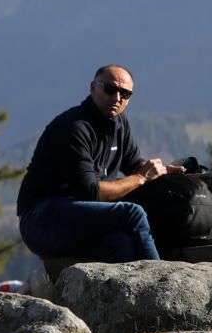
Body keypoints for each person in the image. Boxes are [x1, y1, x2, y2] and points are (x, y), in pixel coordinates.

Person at [16, 64, 182, 263]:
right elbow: (91, 191)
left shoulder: (119, 123)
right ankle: (162, 280)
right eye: (110, 89)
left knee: (121, 244)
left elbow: (133, 164)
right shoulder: (74, 127)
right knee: (132, 214)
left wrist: (159, 171)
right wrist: (141, 178)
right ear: (93, 88)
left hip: (76, 217)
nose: (117, 98)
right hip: (41, 219)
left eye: (125, 93)